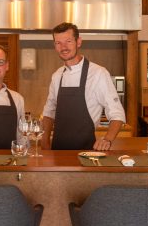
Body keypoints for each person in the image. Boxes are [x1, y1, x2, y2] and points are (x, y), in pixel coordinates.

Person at [40, 22, 126, 151]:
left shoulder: (98, 73)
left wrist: (107, 139)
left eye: (68, 41)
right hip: (57, 154)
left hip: (87, 154)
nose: (63, 47)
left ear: (78, 42)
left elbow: (117, 113)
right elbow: (49, 111)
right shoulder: (57, 76)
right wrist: (45, 141)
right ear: (55, 46)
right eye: (58, 43)